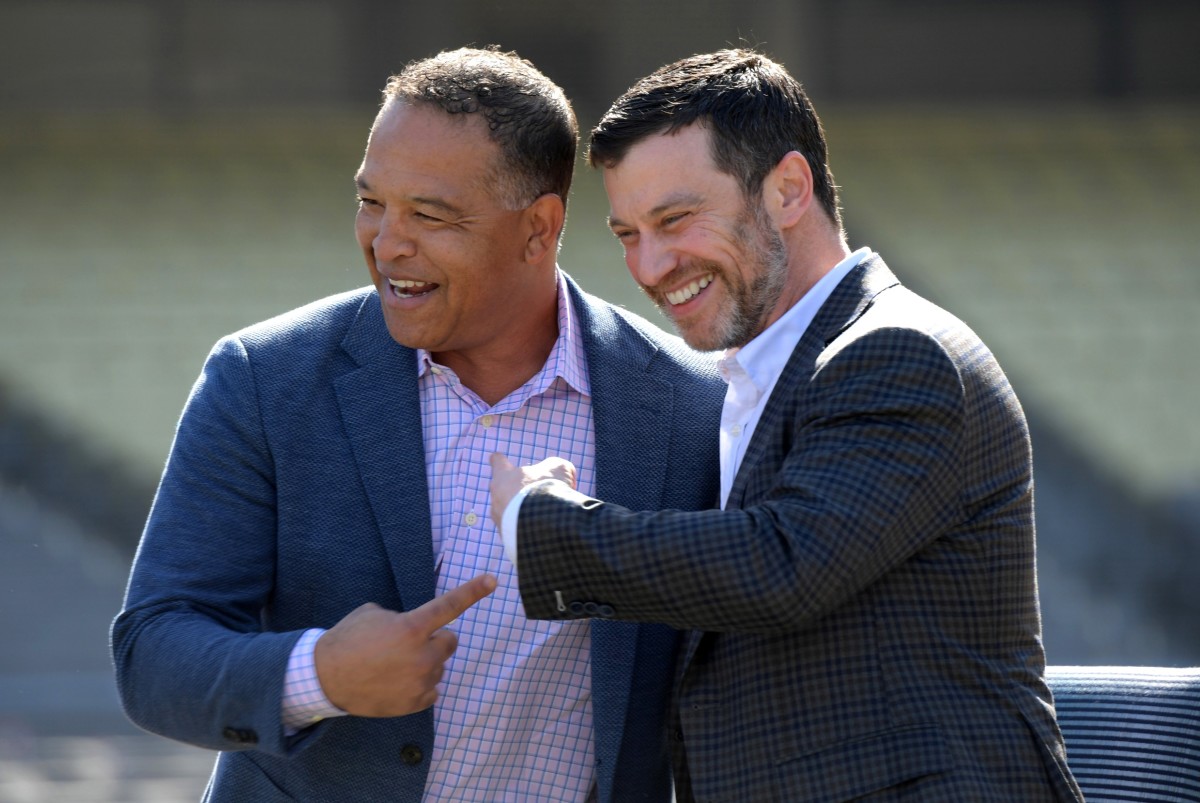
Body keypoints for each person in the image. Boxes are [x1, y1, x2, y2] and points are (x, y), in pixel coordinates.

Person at [111, 47, 724, 803]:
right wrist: (322, 673)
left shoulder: (690, 410)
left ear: (539, 228)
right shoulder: (265, 378)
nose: (386, 242)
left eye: (429, 215)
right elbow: (154, 654)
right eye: (372, 202)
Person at [490, 49, 1084, 802]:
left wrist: (545, 527)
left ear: (789, 190)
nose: (648, 266)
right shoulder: (749, 375)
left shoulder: (896, 351)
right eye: (627, 234)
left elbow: (779, 565)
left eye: (675, 219)